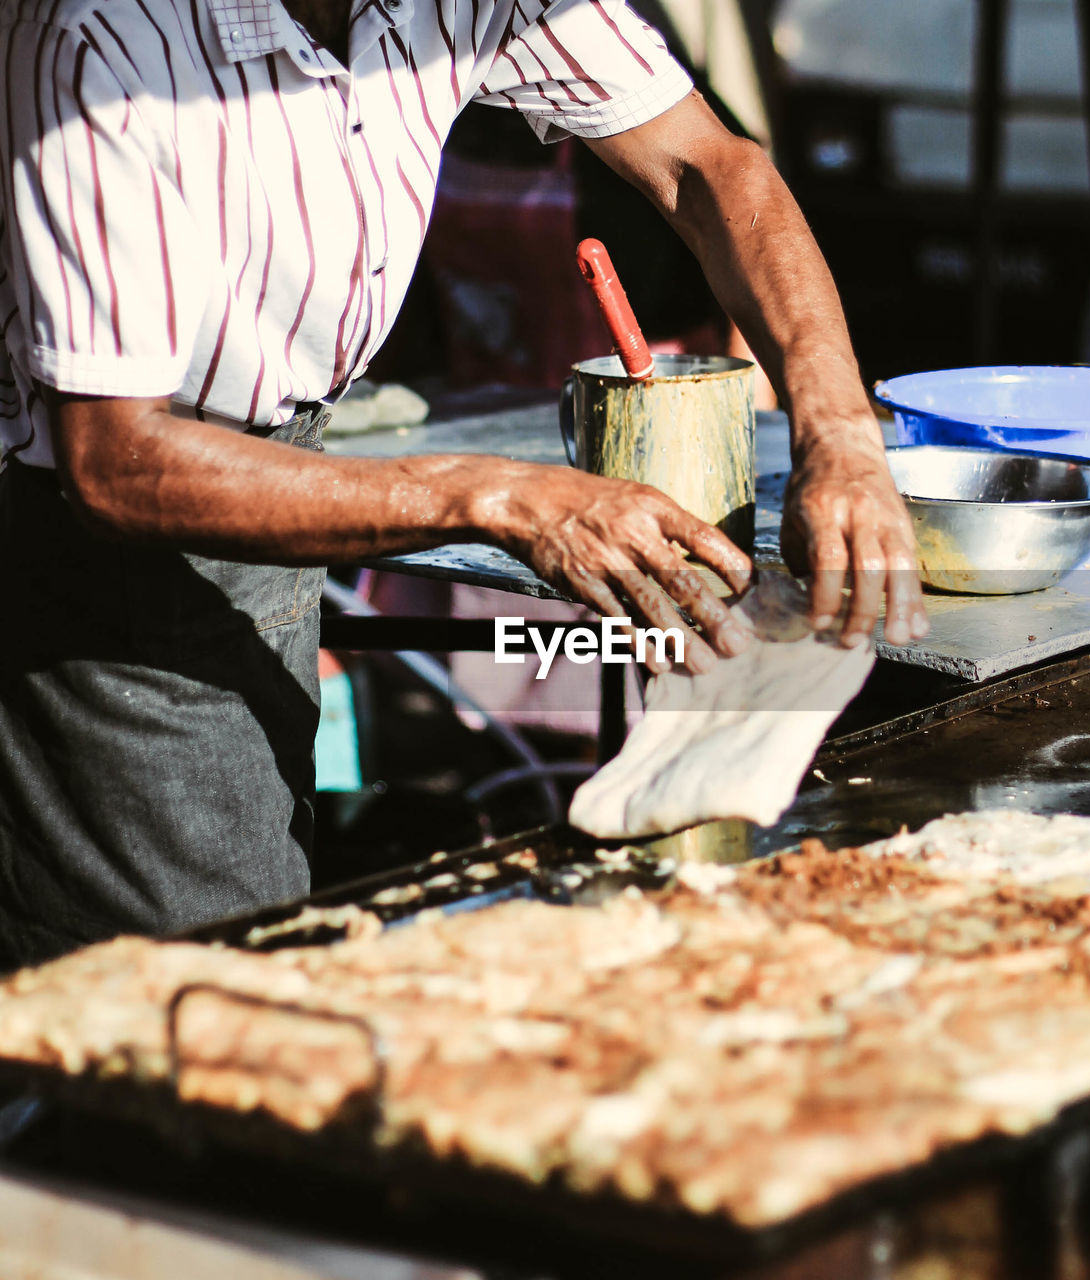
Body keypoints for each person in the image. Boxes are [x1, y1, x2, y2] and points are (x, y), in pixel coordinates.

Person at [0, 0, 927, 970]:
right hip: (103, 553)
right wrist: (490, 493)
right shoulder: (100, 36)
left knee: (264, 923)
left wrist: (839, 436)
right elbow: (115, 461)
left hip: (275, 461)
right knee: (187, 984)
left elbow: (711, 166)